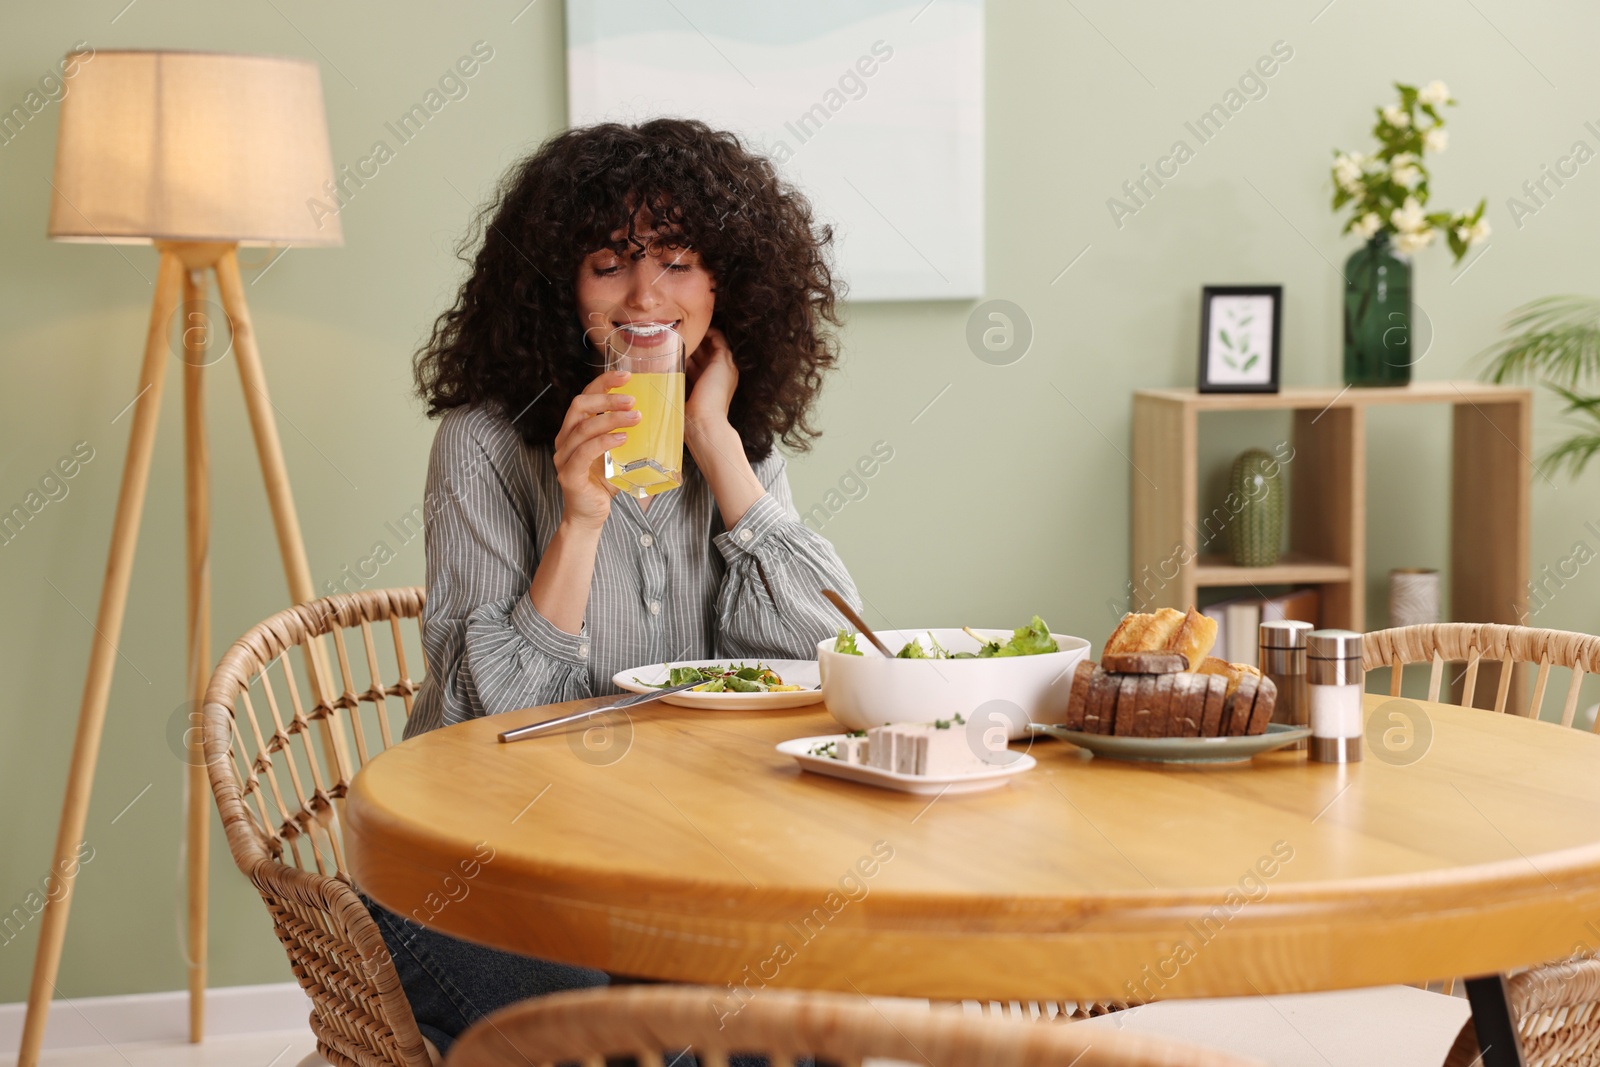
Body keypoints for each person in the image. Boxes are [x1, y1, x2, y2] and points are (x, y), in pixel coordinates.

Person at [358, 116, 862, 1057]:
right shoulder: (482, 446)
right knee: (637, 1043)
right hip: (477, 865)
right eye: (608, 263)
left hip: (670, 860)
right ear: (561, 286)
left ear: (725, 286)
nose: (645, 294)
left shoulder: (736, 448)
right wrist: (579, 521)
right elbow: (478, 722)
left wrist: (717, 446)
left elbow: (822, 655)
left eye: (676, 262)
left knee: (807, 1019)